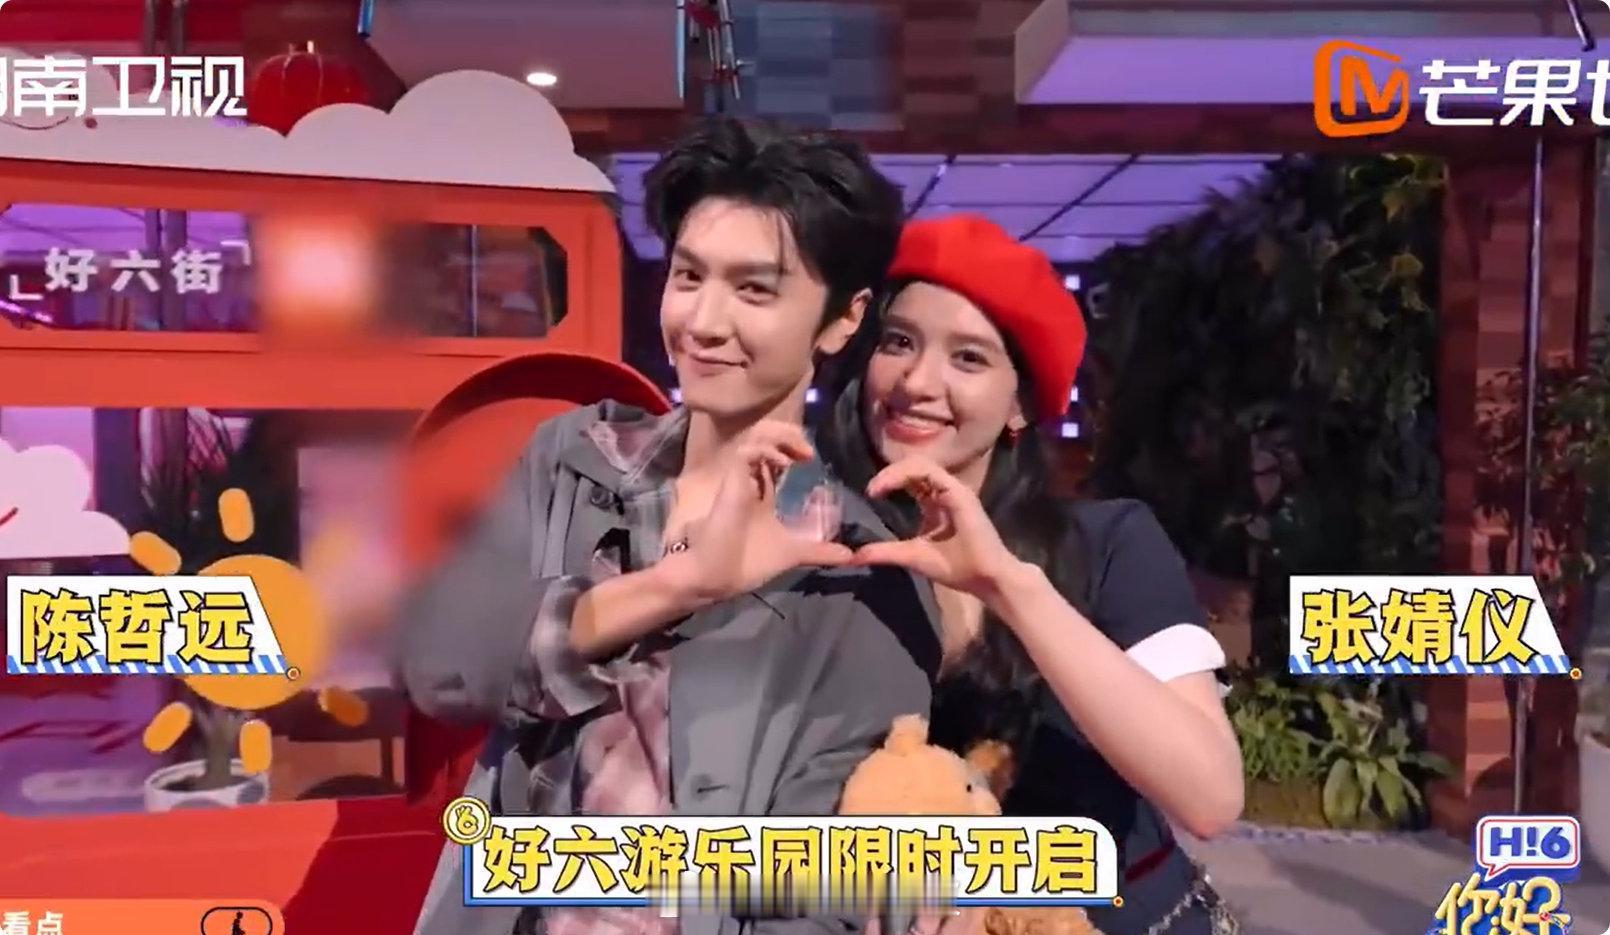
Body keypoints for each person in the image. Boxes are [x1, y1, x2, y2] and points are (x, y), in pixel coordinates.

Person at [399, 118, 941, 935]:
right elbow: (441, 665)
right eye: (689, 275)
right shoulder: (575, 457)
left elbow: (819, 895)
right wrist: (676, 584)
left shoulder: (859, 576)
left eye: (754, 290)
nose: (703, 321)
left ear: (842, 319)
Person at [812, 214, 1245, 935]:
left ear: (1019, 404)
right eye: (899, 342)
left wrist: (1008, 586)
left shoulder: (1110, 544)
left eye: (968, 358)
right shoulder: (820, 552)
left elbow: (1209, 796)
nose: (917, 381)